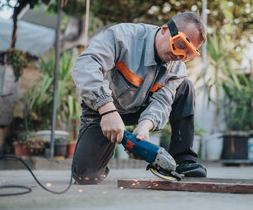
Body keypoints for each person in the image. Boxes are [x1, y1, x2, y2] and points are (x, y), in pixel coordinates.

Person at [71, 12, 207, 185]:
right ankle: (95, 164)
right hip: (102, 107)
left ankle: (184, 159)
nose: (180, 56)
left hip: (139, 108)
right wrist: (107, 109)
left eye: (188, 54)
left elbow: (162, 102)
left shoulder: (177, 68)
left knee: (185, 86)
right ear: (165, 30)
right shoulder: (123, 37)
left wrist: (144, 128)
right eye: (180, 45)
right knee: (86, 176)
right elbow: (85, 64)